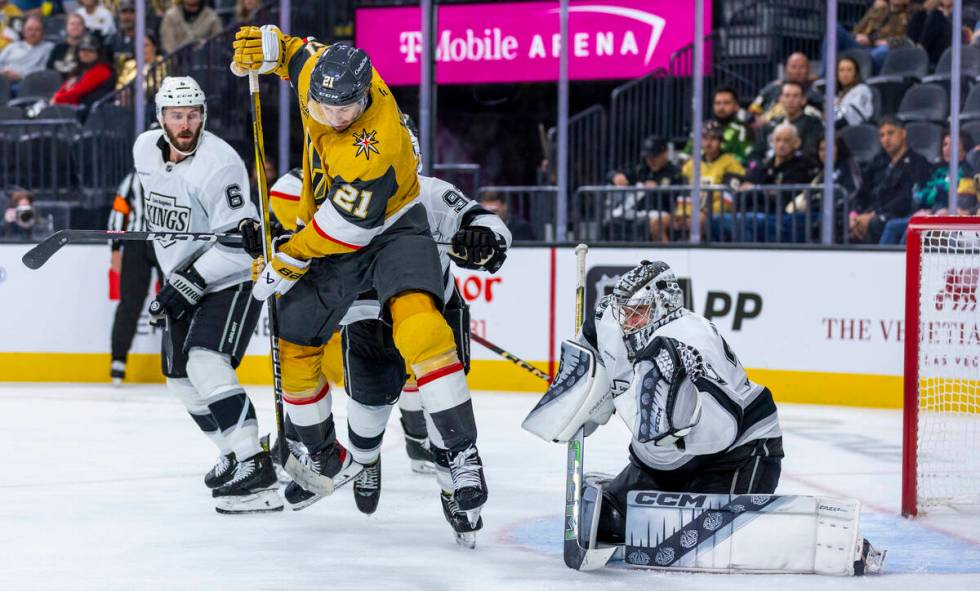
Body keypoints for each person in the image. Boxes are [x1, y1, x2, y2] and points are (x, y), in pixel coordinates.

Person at [232, 27, 489, 534]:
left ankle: (462, 456)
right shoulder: (321, 75)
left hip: (392, 229)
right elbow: (292, 52)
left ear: (366, 92)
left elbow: (344, 230)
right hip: (337, 231)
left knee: (420, 324)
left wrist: (288, 258)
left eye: (346, 109)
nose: (335, 117)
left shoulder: (376, 147)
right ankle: (325, 456)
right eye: (326, 108)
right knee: (293, 338)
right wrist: (268, 48)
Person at [525, 260, 783, 545]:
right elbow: (591, 351)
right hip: (663, 460)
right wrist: (580, 394)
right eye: (625, 312)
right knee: (608, 523)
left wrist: (675, 425)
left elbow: (724, 428)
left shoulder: (692, 335)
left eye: (638, 312)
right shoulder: (610, 322)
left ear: (664, 304)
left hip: (737, 454)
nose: (628, 322)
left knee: (704, 537)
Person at [132, 76, 280, 514]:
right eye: (176, 115)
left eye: (193, 114)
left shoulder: (221, 164)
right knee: (180, 379)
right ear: (160, 118)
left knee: (205, 361)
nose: (185, 124)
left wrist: (189, 280)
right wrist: (176, 273)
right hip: (182, 278)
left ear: (204, 116)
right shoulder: (143, 149)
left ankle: (256, 469)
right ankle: (236, 452)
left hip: (227, 279)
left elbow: (239, 244)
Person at [107, 169, 160, 385]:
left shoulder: (179, 174)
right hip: (136, 242)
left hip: (168, 241)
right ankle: (118, 360)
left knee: (177, 300)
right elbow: (119, 212)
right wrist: (115, 248)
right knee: (129, 302)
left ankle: (179, 359)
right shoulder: (132, 178)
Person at [879, 130, 976, 244]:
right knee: (892, 226)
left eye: (953, 144)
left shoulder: (967, 173)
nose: (947, 148)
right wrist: (930, 207)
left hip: (950, 219)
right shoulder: (938, 170)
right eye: (945, 144)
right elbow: (921, 195)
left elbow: (963, 203)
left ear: (964, 149)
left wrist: (938, 201)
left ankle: (905, 261)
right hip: (931, 213)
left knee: (910, 231)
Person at [729, 123, 820, 242]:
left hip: (780, 217)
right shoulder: (765, 164)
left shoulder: (802, 166)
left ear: (796, 143)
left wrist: (756, 190)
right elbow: (747, 185)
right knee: (718, 220)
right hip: (755, 211)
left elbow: (784, 196)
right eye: (777, 140)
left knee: (748, 221)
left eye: (786, 141)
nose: (781, 145)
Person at [849, 116, 932, 244]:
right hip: (870, 214)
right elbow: (862, 192)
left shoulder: (917, 162)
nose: (886, 139)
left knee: (876, 223)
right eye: (882, 135)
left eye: (890, 133)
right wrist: (854, 215)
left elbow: (905, 199)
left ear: (903, 133)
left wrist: (873, 215)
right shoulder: (878, 161)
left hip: (897, 215)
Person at [673, 121, 745, 239]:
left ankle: (695, 254)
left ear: (720, 141)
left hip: (717, 214)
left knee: (698, 221)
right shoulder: (690, 165)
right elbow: (684, 195)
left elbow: (727, 198)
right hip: (692, 213)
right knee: (660, 222)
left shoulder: (731, 163)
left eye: (713, 139)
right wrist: (683, 214)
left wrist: (704, 213)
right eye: (705, 138)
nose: (709, 143)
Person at [608, 135, 685, 243]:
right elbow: (611, 173)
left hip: (664, 213)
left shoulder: (675, 173)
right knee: (613, 223)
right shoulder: (642, 170)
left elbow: (680, 197)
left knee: (643, 223)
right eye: (648, 157)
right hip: (638, 212)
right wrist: (615, 176)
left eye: (655, 156)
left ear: (665, 153)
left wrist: (659, 190)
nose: (651, 160)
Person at [835, 0, 921, 72]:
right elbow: (857, 29)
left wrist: (875, 41)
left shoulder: (913, 12)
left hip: (884, 50)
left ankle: (861, 74)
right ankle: (824, 76)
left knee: (883, 50)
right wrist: (857, 37)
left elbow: (908, 40)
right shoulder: (879, 8)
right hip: (862, 45)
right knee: (835, 29)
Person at [757, 81, 823, 161]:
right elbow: (758, 151)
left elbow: (810, 153)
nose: (791, 100)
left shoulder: (813, 124)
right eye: (787, 96)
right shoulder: (771, 124)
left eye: (795, 96)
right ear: (780, 99)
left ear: (803, 100)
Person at [749, 53, 821, 125]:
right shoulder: (773, 88)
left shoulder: (816, 91)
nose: (798, 71)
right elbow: (753, 110)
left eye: (802, 67)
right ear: (786, 69)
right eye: (793, 67)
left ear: (808, 69)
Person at [687, 88, 754, 164]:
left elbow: (747, 160)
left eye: (726, 103)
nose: (721, 107)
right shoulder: (701, 128)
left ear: (735, 106)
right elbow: (685, 156)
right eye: (717, 103)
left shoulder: (743, 129)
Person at [50, 32, 114, 107]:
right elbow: (65, 87)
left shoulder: (102, 70)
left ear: (98, 53)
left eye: (90, 50)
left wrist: (57, 99)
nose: (85, 53)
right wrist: (57, 97)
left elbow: (78, 92)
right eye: (82, 49)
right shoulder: (81, 69)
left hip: (93, 113)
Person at [0, 15, 52, 85]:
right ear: (23, 31)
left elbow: (44, 68)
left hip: (27, 83)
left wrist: (21, 75)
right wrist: (3, 72)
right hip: (3, 79)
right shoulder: (13, 46)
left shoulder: (48, 47)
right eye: (29, 29)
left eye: (37, 30)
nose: (33, 33)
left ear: (43, 32)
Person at [908, 0, 956, 65]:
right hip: (932, 54)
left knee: (936, 15)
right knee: (920, 15)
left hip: (943, 60)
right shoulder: (922, 13)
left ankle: (918, 53)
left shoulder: (963, 9)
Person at [834, 56, 874, 128]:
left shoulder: (862, 89)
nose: (845, 74)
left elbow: (853, 116)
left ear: (855, 73)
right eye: (841, 70)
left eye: (849, 70)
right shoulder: (837, 94)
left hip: (856, 130)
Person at [46, 12, 86, 79]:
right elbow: (49, 69)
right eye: (72, 24)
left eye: (79, 24)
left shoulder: (89, 49)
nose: (75, 27)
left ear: (84, 28)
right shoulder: (58, 48)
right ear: (66, 28)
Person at [106, 1, 137, 67]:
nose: (127, 17)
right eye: (124, 12)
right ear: (119, 15)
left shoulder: (146, 40)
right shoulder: (112, 40)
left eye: (131, 12)